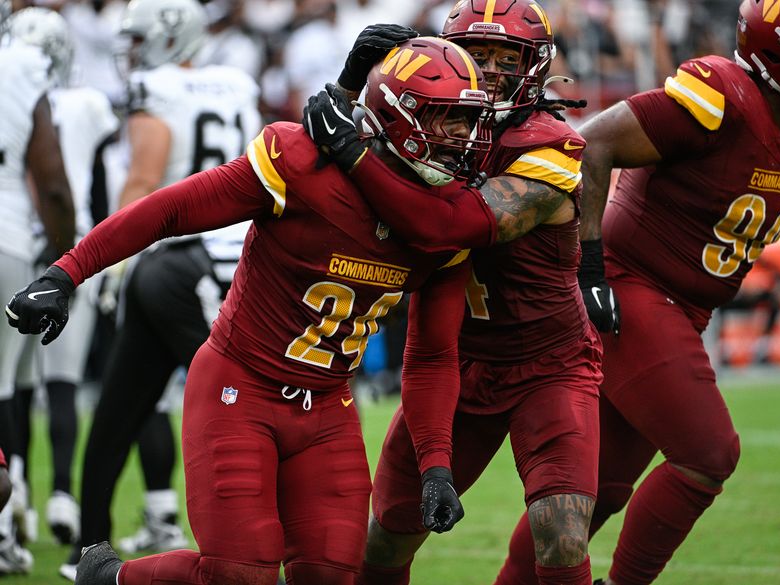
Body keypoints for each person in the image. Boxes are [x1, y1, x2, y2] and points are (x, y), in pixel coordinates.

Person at [7, 34, 494, 585]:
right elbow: (172, 209)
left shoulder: (449, 220)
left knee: (333, 573)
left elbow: (432, 354)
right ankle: (112, 578)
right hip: (241, 388)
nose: (465, 139)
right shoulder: (303, 164)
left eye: (470, 121)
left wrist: (436, 467)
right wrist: (65, 272)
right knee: (241, 571)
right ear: (397, 117)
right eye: (447, 119)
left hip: (328, 405)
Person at [489, 0, 780, 583]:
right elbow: (591, 143)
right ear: (778, 57)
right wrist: (588, 267)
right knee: (709, 453)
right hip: (632, 287)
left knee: (597, 491)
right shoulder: (719, 96)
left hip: (685, 308)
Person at [304, 3, 609, 584]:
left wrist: (358, 152)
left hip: (550, 362)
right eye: (479, 53)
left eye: (506, 57)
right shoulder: (430, 121)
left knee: (563, 533)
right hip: (452, 360)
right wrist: (349, 87)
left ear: (535, 65)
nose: (490, 70)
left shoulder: (550, 146)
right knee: (386, 536)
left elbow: (447, 225)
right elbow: (320, 163)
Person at [51, 0, 260, 579]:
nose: (133, 55)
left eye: (141, 41)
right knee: (237, 397)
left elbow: (146, 178)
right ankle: (237, 535)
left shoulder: (153, 88)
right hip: (234, 259)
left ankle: (88, 548)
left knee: (129, 401)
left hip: (170, 254)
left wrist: (109, 262)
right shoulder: (236, 83)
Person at [7, 5, 120, 548]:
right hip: (72, 249)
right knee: (63, 383)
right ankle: (63, 494)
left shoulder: (12, 87)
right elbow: (94, 187)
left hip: (14, 240)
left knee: (12, 384)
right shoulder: (89, 103)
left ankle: (17, 494)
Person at [0, 0, 77, 574]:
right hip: (6, 235)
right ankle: (4, 528)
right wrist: (66, 265)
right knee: (4, 383)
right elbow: (50, 180)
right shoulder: (25, 68)